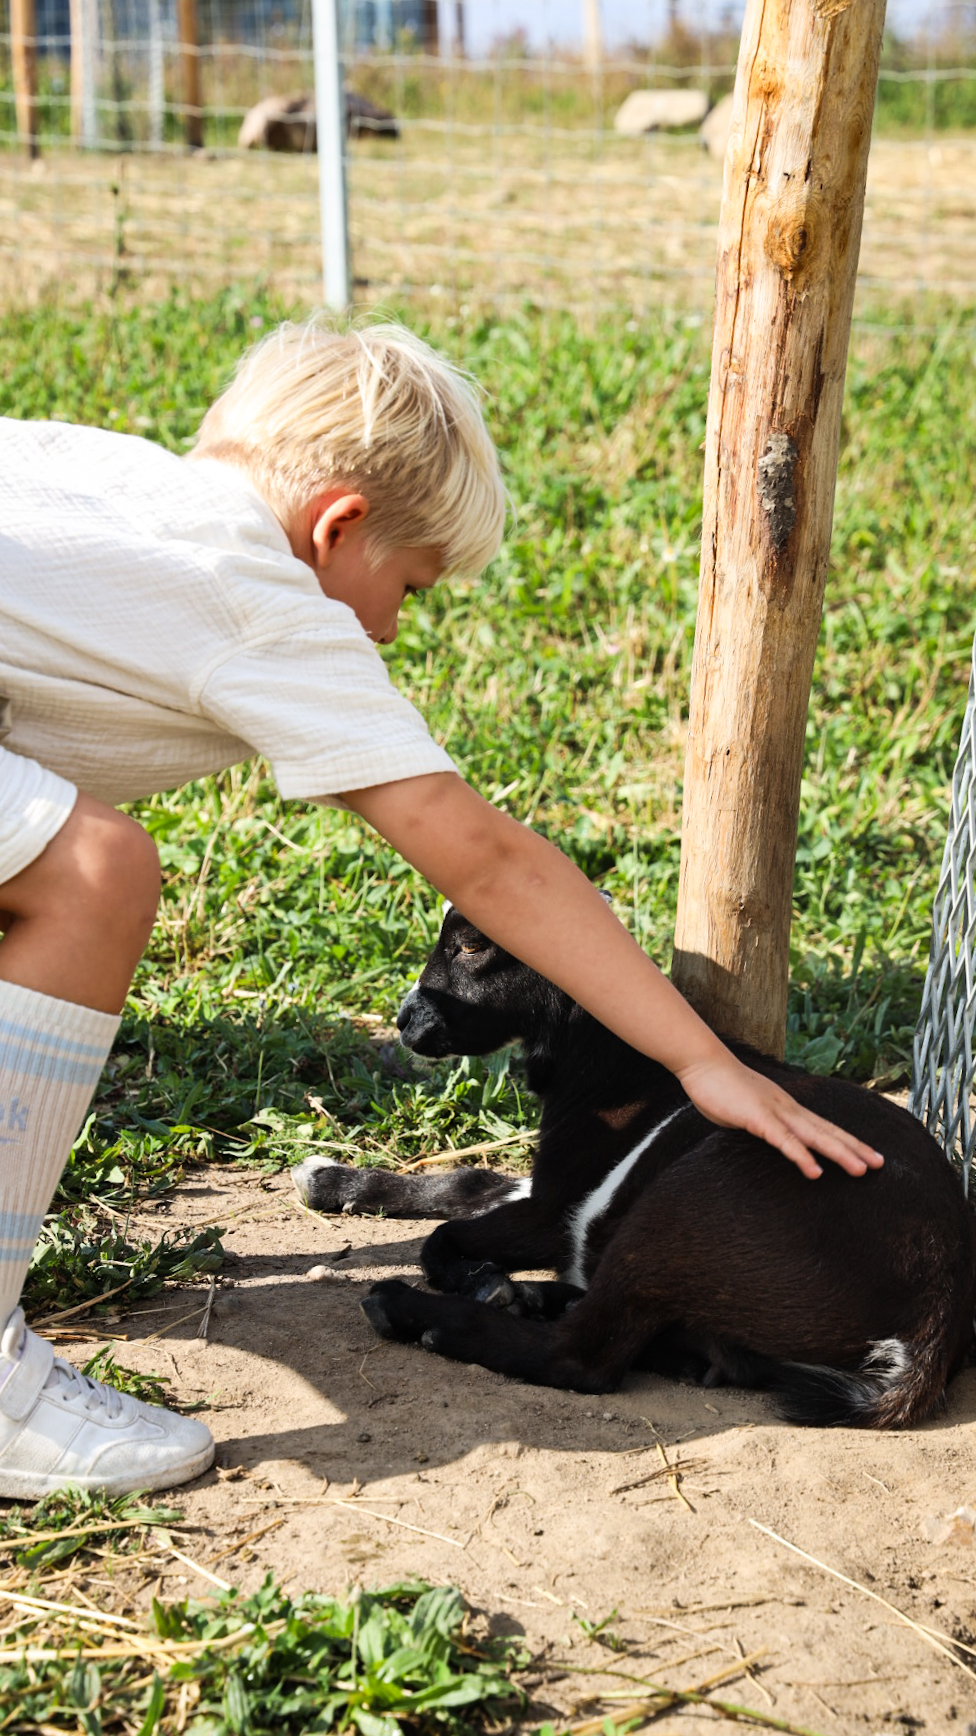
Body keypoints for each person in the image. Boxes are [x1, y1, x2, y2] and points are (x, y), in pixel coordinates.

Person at [0, 318, 882, 1499]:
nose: (388, 628)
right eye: (406, 585)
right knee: (90, 871)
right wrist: (701, 1058)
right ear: (340, 525)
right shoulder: (261, 593)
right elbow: (492, 864)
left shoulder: (94, 469)